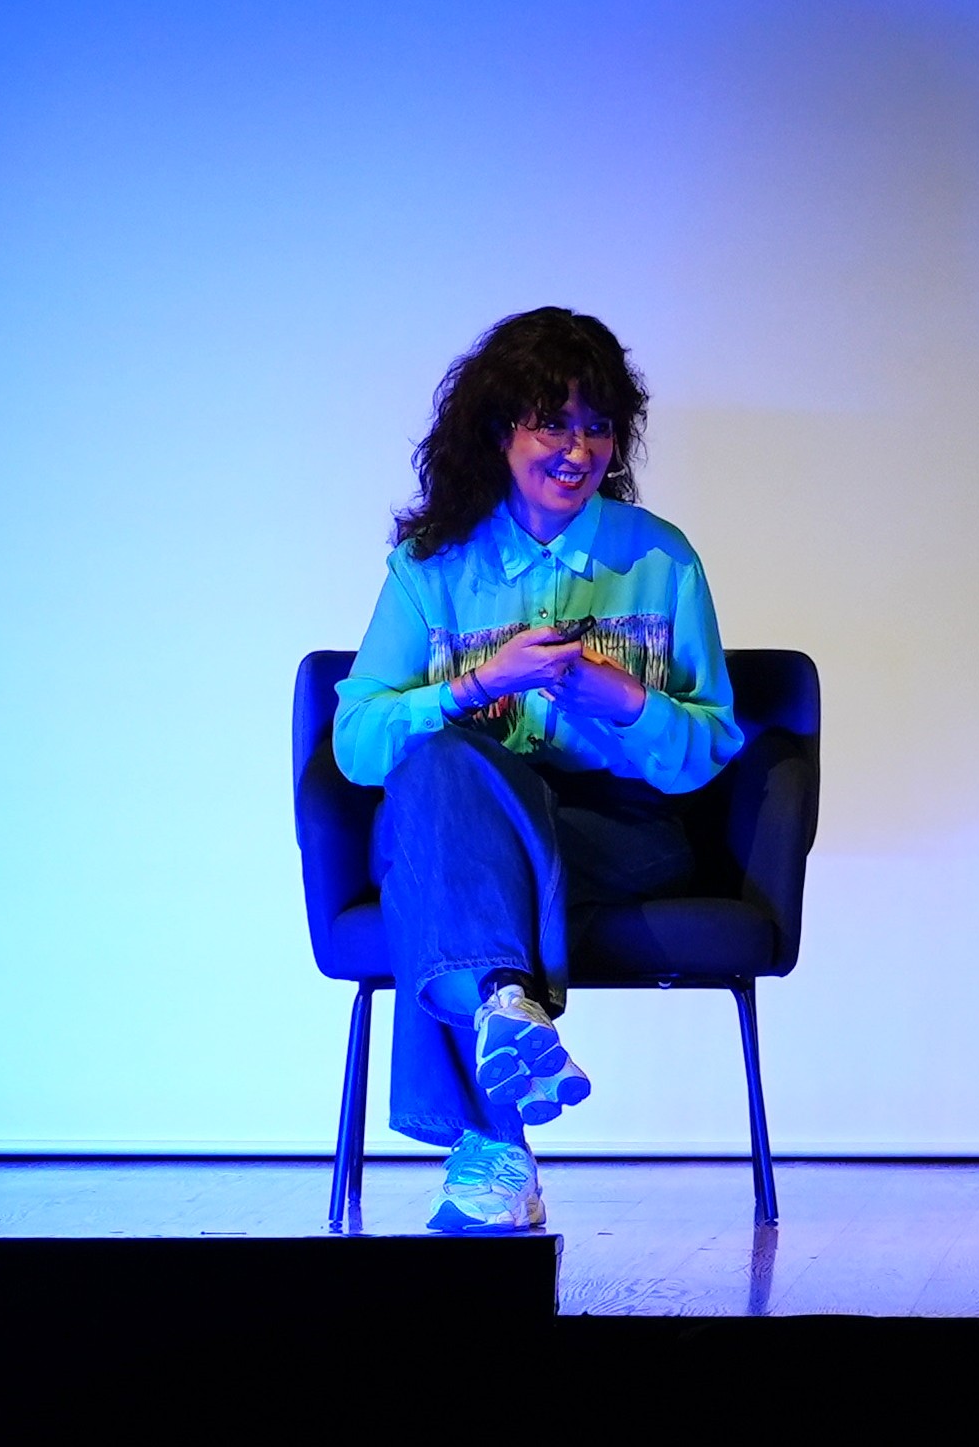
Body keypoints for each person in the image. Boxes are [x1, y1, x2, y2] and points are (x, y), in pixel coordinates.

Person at [335, 307, 742, 1232]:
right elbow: (355, 744)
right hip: (466, 819)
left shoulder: (661, 559)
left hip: (617, 831)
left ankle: (494, 1130)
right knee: (438, 772)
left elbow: (709, 753)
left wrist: (621, 698)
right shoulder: (432, 568)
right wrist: (479, 682)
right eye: (552, 424)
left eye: (597, 426)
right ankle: (504, 1014)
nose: (577, 449)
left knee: (431, 871)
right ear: (498, 431)